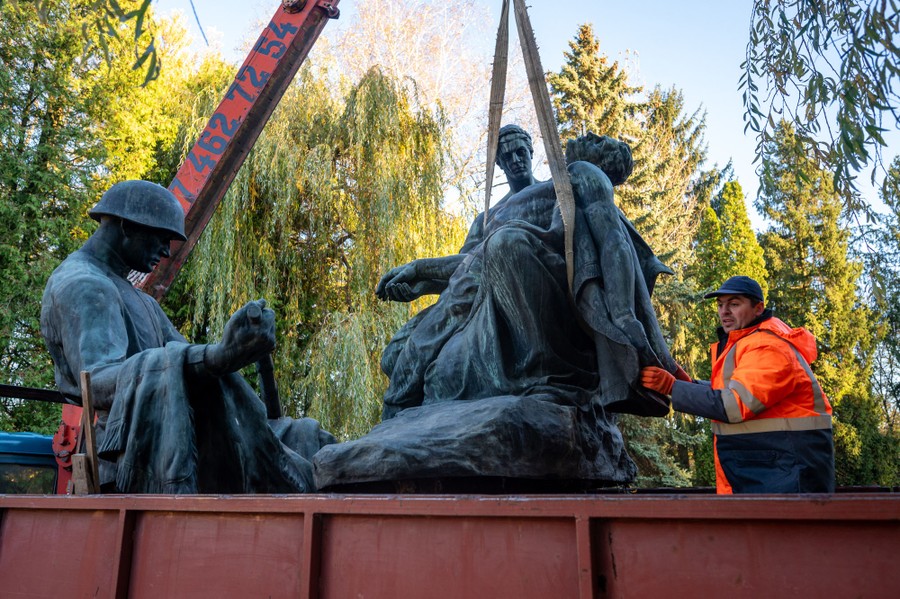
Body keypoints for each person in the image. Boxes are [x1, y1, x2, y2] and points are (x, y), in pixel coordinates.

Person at [40, 180, 334, 494]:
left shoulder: (140, 300)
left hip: (164, 436)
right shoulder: (85, 285)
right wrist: (218, 356)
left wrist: (233, 351)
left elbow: (188, 358)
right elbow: (96, 383)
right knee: (298, 457)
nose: (166, 251)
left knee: (304, 436)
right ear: (126, 226)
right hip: (128, 455)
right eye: (161, 237)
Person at [376, 126, 677, 420]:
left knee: (502, 245)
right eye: (506, 157)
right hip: (469, 292)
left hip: (526, 286)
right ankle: (398, 433)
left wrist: (624, 316)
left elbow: (612, 241)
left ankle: (393, 433)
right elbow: (465, 267)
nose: (515, 160)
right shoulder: (485, 218)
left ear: (531, 152)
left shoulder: (566, 184)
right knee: (393, 355)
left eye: (520, 152)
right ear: (499, 164)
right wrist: (420, 274)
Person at [640, 275, 835, 493]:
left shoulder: (769, 347)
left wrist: (672, 388)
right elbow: (732, 392)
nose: (724, 312)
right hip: (772, 469)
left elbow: (733, 405)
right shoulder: (748, 342)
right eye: (720, 305)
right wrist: (687, 383)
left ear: (758, 308)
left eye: (734, 304)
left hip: (785, 474)